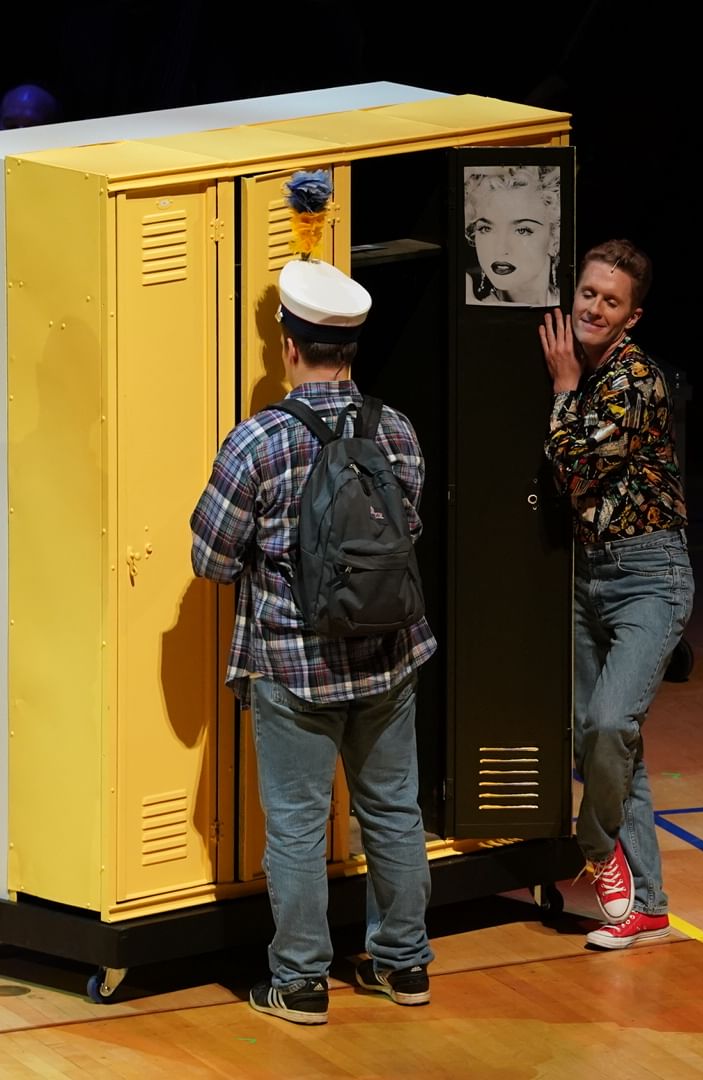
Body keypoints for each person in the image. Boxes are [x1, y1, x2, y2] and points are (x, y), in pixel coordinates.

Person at [190, 258, 437, 1024]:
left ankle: (300, 983)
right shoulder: (394, 428)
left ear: (288, 347)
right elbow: (411, 528)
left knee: (297, 824)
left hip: (294, 669)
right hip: (390, 656)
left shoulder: (258, 442)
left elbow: (211, 557)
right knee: (394, 812)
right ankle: (405, 967)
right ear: (351, 350)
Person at [538, 239, 692, 949]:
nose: (595, 307)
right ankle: (646, 905)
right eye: (589, 294)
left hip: (648, 577)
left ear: (632, 316)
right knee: (606, 744)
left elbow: (573, 468)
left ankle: (596, 848)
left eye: (611, 300)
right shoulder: (584, 369)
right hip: (586, 575)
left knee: (607, 728)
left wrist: (564, 390)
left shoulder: (635, 383)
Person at [463, 165, 562, 307]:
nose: (500, 248)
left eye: (522, 230)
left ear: (555, 240)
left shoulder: (579, 309)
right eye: (485, 228)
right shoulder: (472, 315)